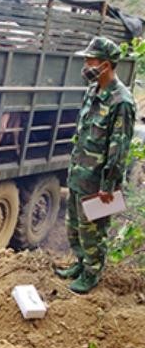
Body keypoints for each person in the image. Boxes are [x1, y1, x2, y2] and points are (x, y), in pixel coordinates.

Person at [56, 36, 136, 293]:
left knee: (94, 231)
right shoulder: (93, 92)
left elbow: (118, 148)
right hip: (79, 174)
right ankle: (80, 264)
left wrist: (109, 186)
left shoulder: (121, 101)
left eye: (91, 60)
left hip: (98, 182)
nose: (86, 64)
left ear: (107, 65)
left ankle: (92, 273)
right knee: (74, 227)